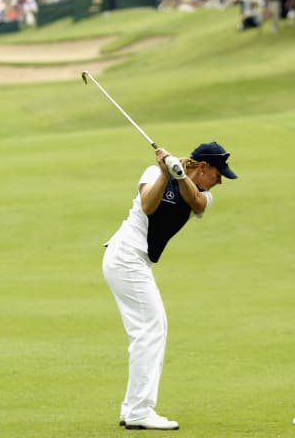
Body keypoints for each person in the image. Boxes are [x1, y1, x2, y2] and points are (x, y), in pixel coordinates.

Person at [102, 141, 238, 431]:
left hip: (137, 263)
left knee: (150, 330)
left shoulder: (202, 195)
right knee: (151, 330)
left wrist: (180, 176)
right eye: (218, 174)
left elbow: (197, 203)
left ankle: (132, 407)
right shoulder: (152, 173)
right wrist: (166, 173)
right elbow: (149, 206)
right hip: (126, 257)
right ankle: (140, 410)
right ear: (203, 167)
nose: (220, 181)